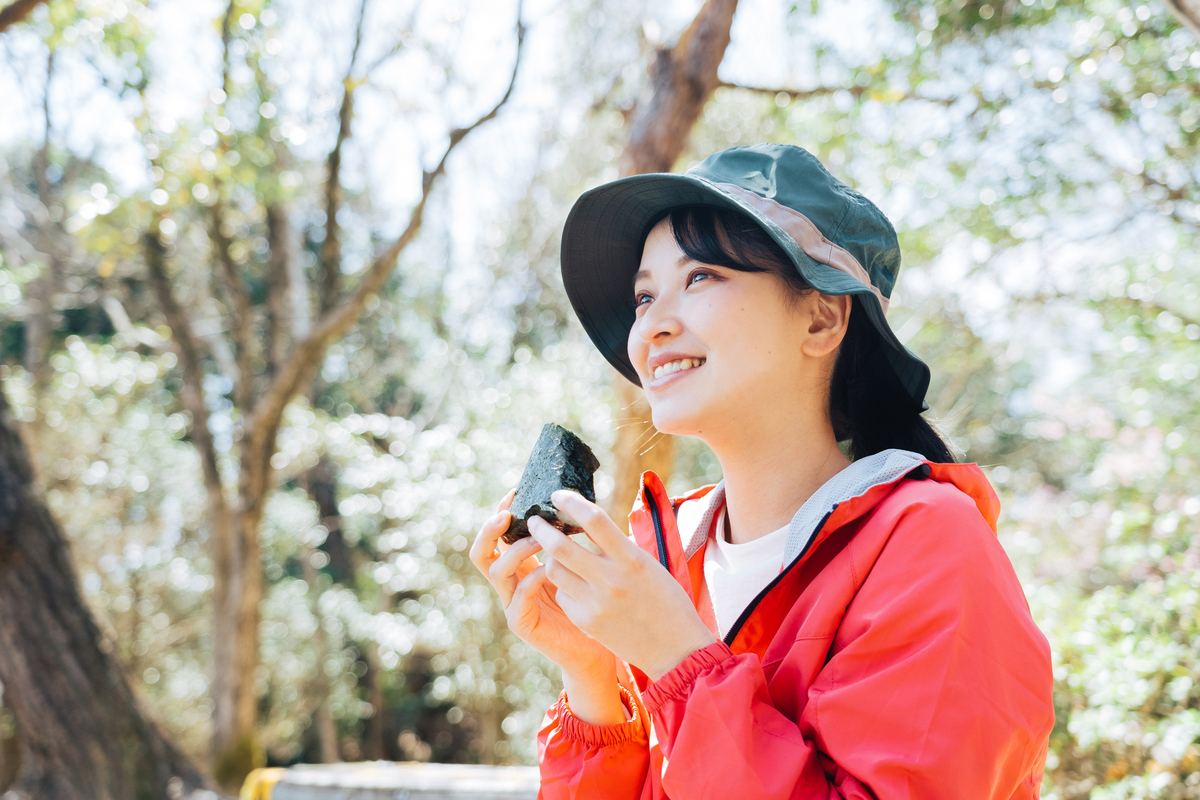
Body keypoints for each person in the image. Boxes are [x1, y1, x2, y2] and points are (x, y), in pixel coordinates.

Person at [471, 143, 1055, 799]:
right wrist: (590, 673)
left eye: (699, 279)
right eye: (642, 296)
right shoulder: (662, 559)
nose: (651, 327)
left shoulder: (929, 546)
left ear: (821, 316)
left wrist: (679, 661)